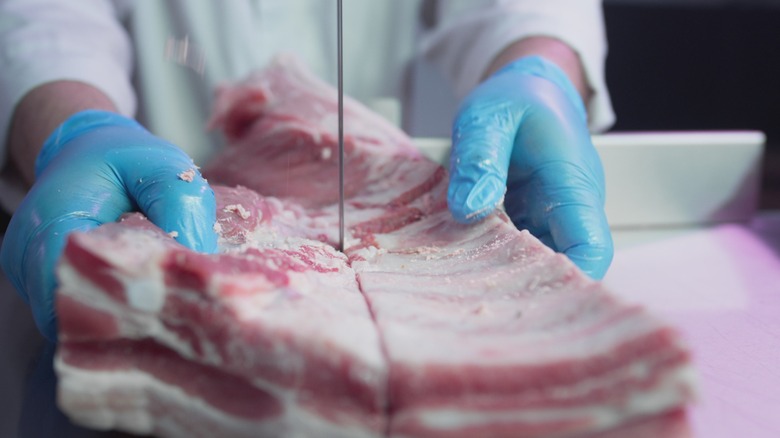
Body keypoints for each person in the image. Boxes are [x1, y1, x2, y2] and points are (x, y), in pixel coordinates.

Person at [0, 0, 615, 343]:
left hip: (420, 211)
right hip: (161, 192)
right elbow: (48, 19)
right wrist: (73, 126)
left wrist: (540, 66)